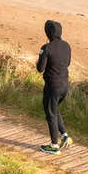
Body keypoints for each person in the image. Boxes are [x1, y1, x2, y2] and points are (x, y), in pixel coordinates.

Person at [36, 19, 72, 153]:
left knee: (50, 113)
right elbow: (67, 63)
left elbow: (40, 68)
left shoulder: (46, 48)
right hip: (64, 84)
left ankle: (54, 145)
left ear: (48, 33)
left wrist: (40, 57)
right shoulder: (67, 45)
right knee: (54, 109)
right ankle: (65, 136)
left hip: (52, 86)